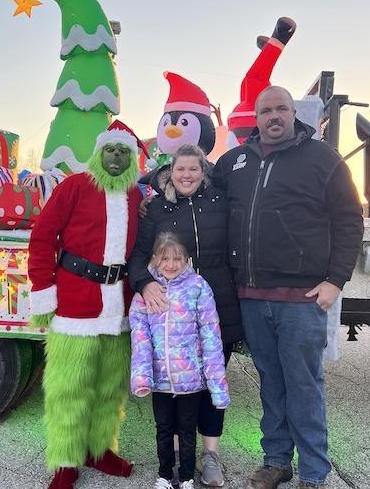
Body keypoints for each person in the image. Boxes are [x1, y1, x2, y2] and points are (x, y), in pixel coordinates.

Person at [212, 86, 364, 489]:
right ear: (256, 117)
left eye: (281, 108)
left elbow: (350, 220)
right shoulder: (235, 161)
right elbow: (197, 188)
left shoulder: (322, 160)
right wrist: (151, 194)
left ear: (294, 113)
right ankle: (276, 461)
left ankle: (314, 473)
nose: (273, 116)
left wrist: (335, 281)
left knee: (303, 384)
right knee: (271, 383)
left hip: (302, 299)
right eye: (266, 110)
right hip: (251, 296)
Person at [27, 120, 143, 489]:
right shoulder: (74, 187)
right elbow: (43, 237)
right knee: (69, 387)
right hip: (75, 305)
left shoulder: (137, 196)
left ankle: (99, 449)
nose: (115, 157)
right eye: (109, 150)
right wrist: (44, 292)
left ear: (133, 159)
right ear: (97, 153)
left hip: (118, 310)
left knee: (111, 388)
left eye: (123, 152)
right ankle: (65, 459)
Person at [129, 143, 243, 487]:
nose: (187, 175)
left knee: (210, 383)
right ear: (170, 172)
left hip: (215, 304)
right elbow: (138, 255)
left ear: (203, 172)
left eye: (194, 169)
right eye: (181, 169)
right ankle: (179, 460)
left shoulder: (220, 202)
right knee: (174, 389)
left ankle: (210, 456)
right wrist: (145, 283)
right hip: (172, 313)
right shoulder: (158, 209)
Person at [130, 232, 230, 489]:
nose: (171, 264)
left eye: (178, 258)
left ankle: (186, 477)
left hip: (191, 382)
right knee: (164, 429)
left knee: (187, 431)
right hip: (161, 382)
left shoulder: (198, 287)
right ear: (155, 259)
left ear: (187, 259)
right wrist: (142, 378)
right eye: (165, 258)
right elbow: (140, 339)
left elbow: (211, 336)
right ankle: (164, 475)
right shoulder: (146, 291)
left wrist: (217, 385)